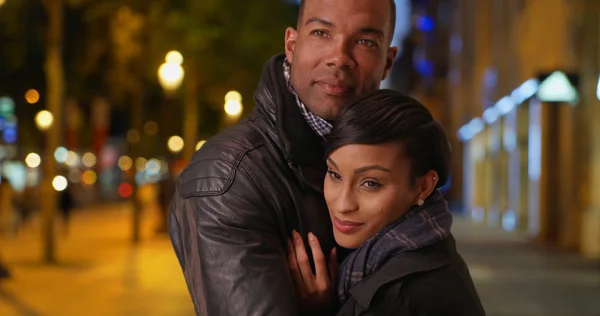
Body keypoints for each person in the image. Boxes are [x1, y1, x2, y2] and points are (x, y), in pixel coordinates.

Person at [168, 0, 399, 314]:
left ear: (387, 62)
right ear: (292, 44)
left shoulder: (394, 160)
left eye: (364, 42)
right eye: (321, 33)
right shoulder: (227, 178)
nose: (339, 58)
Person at [288, 90, 487, 315]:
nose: (343, 204)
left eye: (371, 183)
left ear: (423, 187)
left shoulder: (395, 297)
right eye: (335, 174)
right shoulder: (427, 247)